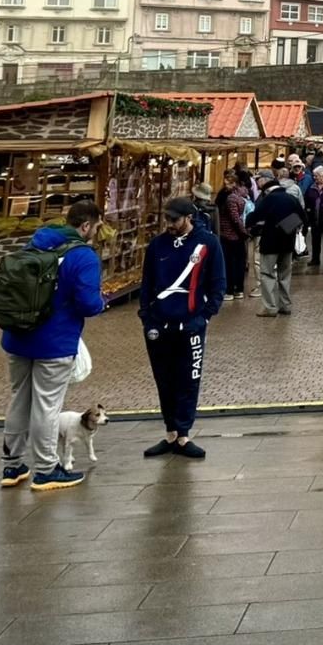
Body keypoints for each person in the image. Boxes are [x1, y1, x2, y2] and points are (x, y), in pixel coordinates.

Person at [0, 199, 104, 492]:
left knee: (20, 400)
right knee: (47, 407)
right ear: (85, 226)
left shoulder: (35, 243)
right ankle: (46, 470)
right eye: (95, 227)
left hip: (17, 335)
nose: (95, 232)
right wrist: (101, 302)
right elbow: (87, 303)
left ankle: (12, 465)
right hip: (55, 341)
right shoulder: (83, 256)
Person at [138, 197, 226, 460]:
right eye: (167, 219)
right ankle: (171, 432)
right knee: (164, 380)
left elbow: (218, 283)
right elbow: (147, 283)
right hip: (159, 325)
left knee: (188, 379)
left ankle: (184, 433)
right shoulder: (157, 245)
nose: (170, 225)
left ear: (188, 217)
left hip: (191, 325)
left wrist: (203, 317)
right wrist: (147, 317)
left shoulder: (208, 243)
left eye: (175, 220)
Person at [247, 166, 305, 316]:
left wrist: (261, 227)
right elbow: (304, 218)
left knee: (267, 274)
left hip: (270, 243)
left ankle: (270, 307)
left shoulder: (268, 200)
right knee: (285, 275)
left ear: (267, 188)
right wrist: (287, 228)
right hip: (287, 243)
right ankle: (285, 305)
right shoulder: (291, 199)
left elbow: (253, 218)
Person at [215, 167, 251, 299]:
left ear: (234, 183)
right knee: (237, 263)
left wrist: (243, 233)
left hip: (231, 235)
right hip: (234, 235)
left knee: (231, 263)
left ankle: (232, 290)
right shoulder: (239, 196)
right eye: (225, 183)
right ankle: (237, 289)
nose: (226, 185)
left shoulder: (230, 199)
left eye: (229, 183)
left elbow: (235, 219)